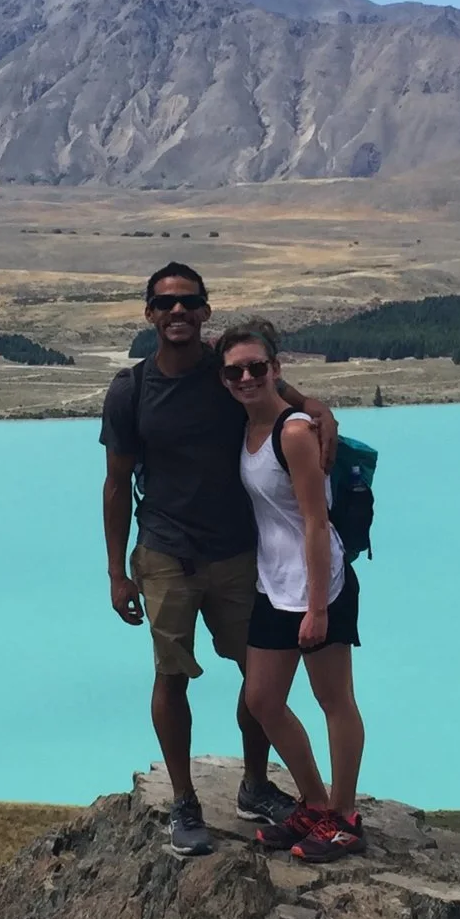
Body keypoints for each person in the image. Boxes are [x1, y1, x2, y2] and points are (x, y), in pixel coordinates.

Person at [101, 264, 336, 858]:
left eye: (188, 302)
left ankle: (255, 786)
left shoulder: (231, 374)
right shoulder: (130, 391)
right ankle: (184, 801)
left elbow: (286, 400)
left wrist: (320, 408)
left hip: (236, 555)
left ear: (205, 311)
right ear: (149, 313)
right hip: (164, 555)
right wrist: (116, 571)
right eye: (165, 303)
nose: (177, 312)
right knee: (170, 675)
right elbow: (114, 483)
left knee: (257, 680)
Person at [214, 318, 367, 864]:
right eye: (236, 370)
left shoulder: (295, 433)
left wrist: (319, 608)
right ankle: (316, 805)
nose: (248, 377)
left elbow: (315, 522)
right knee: (262, 699)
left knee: (334, 700)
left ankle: (344, 819)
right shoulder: (250, 426)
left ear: (276, 369)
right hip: (273, 584)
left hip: (317, 587)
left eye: (258, 367)